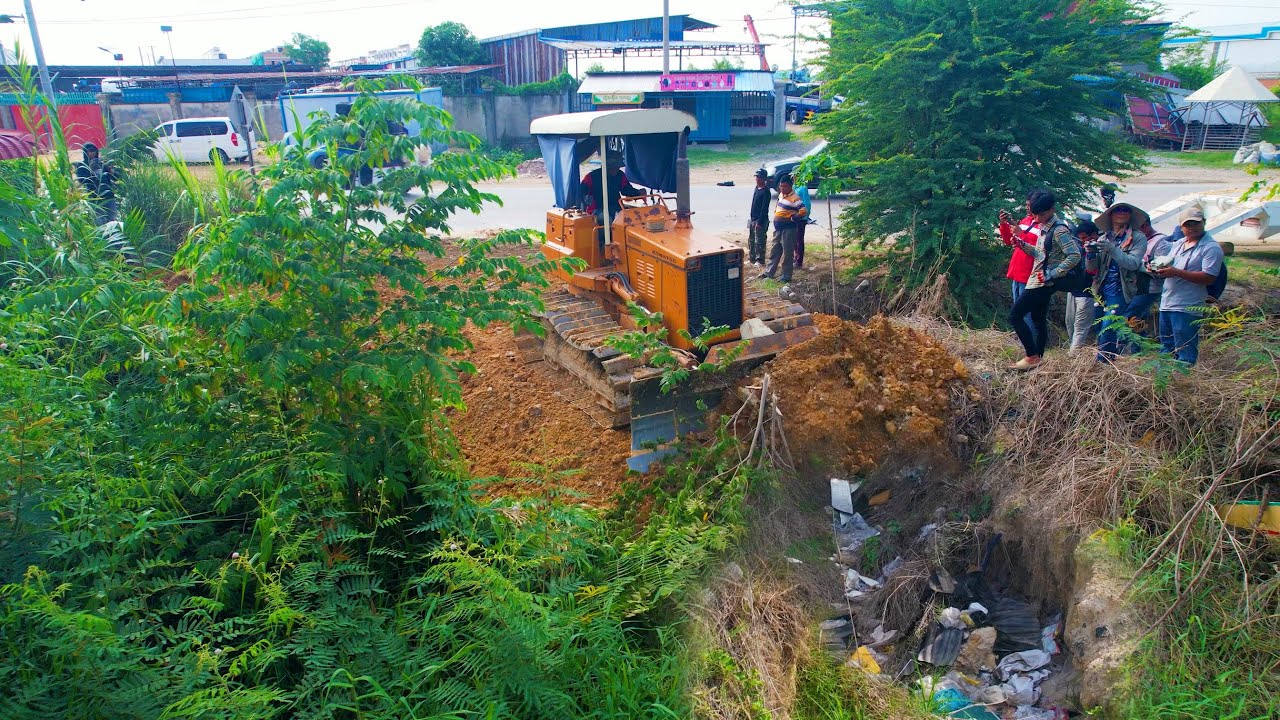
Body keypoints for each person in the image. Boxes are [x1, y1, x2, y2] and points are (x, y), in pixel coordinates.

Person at [1007, 190, 1081, 371]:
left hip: (1042, 281)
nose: (1037, 218)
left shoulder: (1060, 230)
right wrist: (1023, 245)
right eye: (1034, 214)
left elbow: (1074, 255)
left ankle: (1031, 355)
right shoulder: (1046, 226)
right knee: (1038, 319)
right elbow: (1041, 253)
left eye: (1041, 214)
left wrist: (1052, 273)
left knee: (1015, 316)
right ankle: (1038, 357)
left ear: (1051, 209)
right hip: (1042, 279)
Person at [1152, 207, 1223, 365]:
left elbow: (1209, 277)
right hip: (1167, 303)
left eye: (1196, 223)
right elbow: (1168, 264)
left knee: (1185, 352)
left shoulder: (1211, 247)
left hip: (1188, 306)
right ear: (1181, 227)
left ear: (1203, 223)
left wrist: (1176, 272)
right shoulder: (1178, 243)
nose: (1192, 228)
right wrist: (1157, 269)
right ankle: (1166, 385)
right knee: (1166, 348)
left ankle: (1184, 384)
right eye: (1188, 224)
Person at [1091, 203, 1149, 361]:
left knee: (1109, 326)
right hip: (1101, 288)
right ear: (1111, 215)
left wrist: (1112, 249)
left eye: (1126, 210)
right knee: (1099, 327)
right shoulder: (1104, 238)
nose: (1122, 213)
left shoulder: (1138, 238)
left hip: (1122, 289)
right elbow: (1093, 268)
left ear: (1130, 215)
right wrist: (1090, 254)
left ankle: (1102, 362)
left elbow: (1133, 263)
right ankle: (1108, 359)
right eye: (1118, 210)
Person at [999, 191, 1046, 345]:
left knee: (1027, 315)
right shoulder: (1026, 221)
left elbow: (1040, 249)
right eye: (1026, 205)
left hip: (1030, 276)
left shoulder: (1044, 226)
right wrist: (1005, 225)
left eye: (1029, 206)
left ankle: (1030, 347)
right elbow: (1009, 241)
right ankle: (1023, 343)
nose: (1027, 208)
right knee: (1018, 313)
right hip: (1017, 274)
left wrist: (1021, 233)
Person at [1123, 219, 1171, 340]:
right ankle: (1139, 348)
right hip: (1135, 285)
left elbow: (1162, 266)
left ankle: (1136, 345)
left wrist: (1139, 264)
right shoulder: (1136, 240)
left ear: (1145, 225)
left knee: (1130, 316)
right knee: (1139, 318)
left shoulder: (1161, 242)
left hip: (1150, 286)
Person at [758, 174, 807, 288]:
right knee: (775, 250)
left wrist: (793, 218)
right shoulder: (781, 195)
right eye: (780, 186)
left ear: (790, 186)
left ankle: (786, 276)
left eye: (784, 187)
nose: (782, 189)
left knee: (787, 253)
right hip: (778, 228)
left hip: (789, 229)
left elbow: (803, 210)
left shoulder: (795, 198)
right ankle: (769, 272)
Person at [1065, 219, 1102, 351]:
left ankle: (1073, 356)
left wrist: (1091, 252)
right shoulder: (1079, 247)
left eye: (1085, 238)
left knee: (1080, 328)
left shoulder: (1100, 249)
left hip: (1088, 294)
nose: (1082, 241)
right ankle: (1076, 353)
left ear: (1094, 235)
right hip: (1073, 291)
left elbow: (1093, 270)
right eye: (1080, 238)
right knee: (1070, 324)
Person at [581, 151, 645, 222]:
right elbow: (581, 193)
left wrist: (638, 192)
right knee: (606, 219)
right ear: (607, 167)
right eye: (613, 167)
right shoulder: (590, 177)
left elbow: (626, 189)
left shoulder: (620, 175)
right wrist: (586, 198)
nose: (616, 170)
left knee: (627, 219)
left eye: (617, 167)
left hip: (615, 207)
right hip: (596, 209)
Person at [75, 142, 118, 225]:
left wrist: (108, 169)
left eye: (93, 151)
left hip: (108, 196)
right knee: (100, 223)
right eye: (89, 151)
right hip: (95, 198)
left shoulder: (101, 163)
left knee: (113, 223)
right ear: (85, 153)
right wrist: (91, 170)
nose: (91, 153)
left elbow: (116, 177)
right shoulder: (82, 165)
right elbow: (82, 180)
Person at [747, 168, 770, 266]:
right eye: (756, 177)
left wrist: (760, 222)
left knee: (759, 241)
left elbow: (764, 209)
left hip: (760, 220)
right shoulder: (756, 188)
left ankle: (760, 260)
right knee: (751, 239)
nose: (757, 179)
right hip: (753, 218)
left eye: (759, 177)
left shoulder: (766, 192)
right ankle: (752, 258)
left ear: (764, 179)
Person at [794, 181, 813, 270]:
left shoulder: (803, 188)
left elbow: (807, 204)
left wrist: (806, 216)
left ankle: (799, 260)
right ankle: (795, 257)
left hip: (801, 218)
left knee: (799, 239)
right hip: (793, 217)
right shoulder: (793, 187)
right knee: (793, 239)